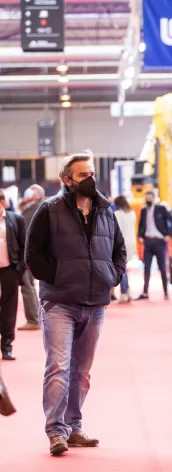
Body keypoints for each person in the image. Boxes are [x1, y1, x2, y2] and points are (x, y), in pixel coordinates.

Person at [25, 150, 126, 456]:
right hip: (59, 303)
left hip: (95, 304)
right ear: (67, 180)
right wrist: (58, 277)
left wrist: (111, 277)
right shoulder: (49, 210)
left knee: (82, 372)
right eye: (83, 175)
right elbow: (32, 255)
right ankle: (56, 431)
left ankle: (75, 426)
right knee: (59, 367)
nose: (90, 179)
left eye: (91, 173)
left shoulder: (105, 210)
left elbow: (119, 250)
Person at [0, 189, 26, 361]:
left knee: (9, 309)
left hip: (10, 269)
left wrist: (20, 268)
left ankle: (7, 347)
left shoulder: (16, 219)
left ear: (2, 202)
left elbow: (25, 245)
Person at [136, 190, 172, 301]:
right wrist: (140, 236)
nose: (148, 199)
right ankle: (145, 292)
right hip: (148, 241)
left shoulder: (161, 209)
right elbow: (140, 224)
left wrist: (169, 234)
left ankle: (166, 292)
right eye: (146, 198)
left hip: (159, 241)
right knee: (146, 267)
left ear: (154, 198)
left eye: (150, 198)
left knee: (162, 267)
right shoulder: (143, 210)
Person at [17, 184, 45, 331]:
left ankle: (33, 319)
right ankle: (35, 318)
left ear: (37, 195)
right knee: (28, 286)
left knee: (27, 285)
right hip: (29, 252)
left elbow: (25, 233)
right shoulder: (29, 208)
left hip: (26, 253)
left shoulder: (35, 210)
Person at [113, 195, 137, 303]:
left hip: (121, 243)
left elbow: (116, 230)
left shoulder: (117, 214)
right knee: (124, 267)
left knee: (121, 268)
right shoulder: (132, 213)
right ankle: (127, 291)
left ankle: (124, 293)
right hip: (131, 242)